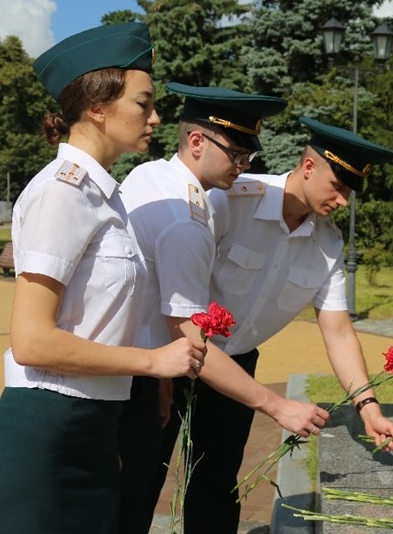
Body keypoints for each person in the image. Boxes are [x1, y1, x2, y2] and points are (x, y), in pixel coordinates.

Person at [0, 23, 207, 534]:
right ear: (98, 106)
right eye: (143, 104)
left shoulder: (107, 197)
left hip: (94, 430)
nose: (154, 117)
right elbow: (32, 340)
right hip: (43, 436)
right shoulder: (63, 192)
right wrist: (153, 361)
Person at [143, 116, 393, 533]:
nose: (343, 201)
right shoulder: (232, 199)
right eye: (338, 187)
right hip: (173, 355)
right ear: (308, 168)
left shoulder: (328, 244)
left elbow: (337, 331)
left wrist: (368, 407)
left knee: (216, 487)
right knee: (144, 475)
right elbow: (171, 285)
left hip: (235, 370)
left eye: (350, 193)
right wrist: (160, 365)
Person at [117, 82, 288, 534]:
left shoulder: (150, 175)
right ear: (197, 142)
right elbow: (188, 336)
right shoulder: (187, 221)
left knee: (128, 495)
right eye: (236, 154)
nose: (244, 166)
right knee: (131, 497)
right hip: (135, 377)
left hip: (136, 365)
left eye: (248, 157)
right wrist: (276, 406)